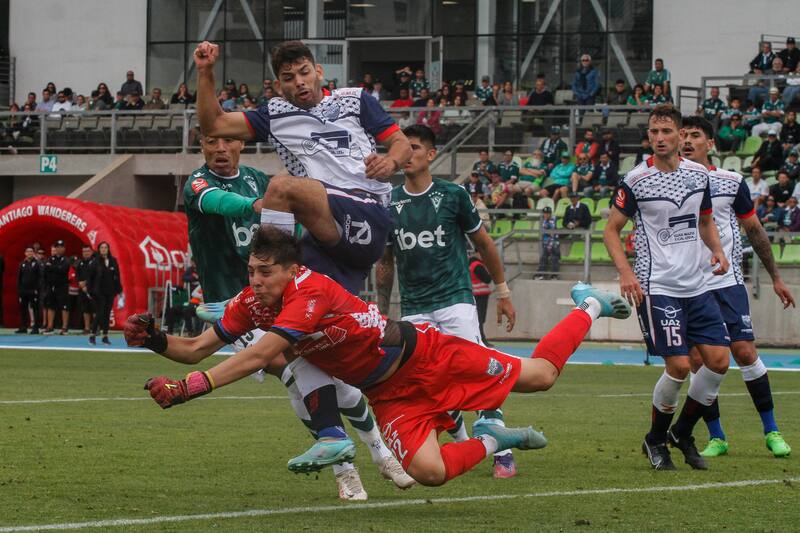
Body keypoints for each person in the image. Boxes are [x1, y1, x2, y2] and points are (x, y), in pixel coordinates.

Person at [129, 226, 631, 487]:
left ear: (289, 270)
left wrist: (188, 391)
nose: (254, 282)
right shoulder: (252, 301)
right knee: (424, 473)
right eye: (251, 271)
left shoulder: (310, 292)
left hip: (426, 356)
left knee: (541, 377)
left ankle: (589, 303)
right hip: (388, 393)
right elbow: (195, 348)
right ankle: (490, 438)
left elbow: (261, 355)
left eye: (264, 272)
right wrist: (154, 338)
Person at [192, 39, 413, 477]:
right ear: (279, 83)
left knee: (284, 187)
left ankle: (249, 296)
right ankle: (334, 437)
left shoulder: (355, 100)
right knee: (299, 338)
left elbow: (401, 142)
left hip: (363, 213)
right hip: (324, 235)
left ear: (319, 73)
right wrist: (205, 72)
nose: (299, 83)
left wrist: (391, 161)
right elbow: (213, 120)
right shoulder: (274, 113)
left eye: (305, 73)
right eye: (289, 77)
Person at [376, 124, 518, 478]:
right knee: (427, 380)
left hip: (455, 299)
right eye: (402, 148)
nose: (407, 154)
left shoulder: (453, 195)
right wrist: (380, 310)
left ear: (430, 154)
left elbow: (484, 245)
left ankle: (504, 447)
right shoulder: (388, 201)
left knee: (480, 372)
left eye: (414, 147)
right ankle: (462, 439)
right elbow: (385, 260)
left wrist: (503, 292)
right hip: (414, 307)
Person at [604, 104, 731, 471]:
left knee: (719, 362)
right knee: (679, 365)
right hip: (657, 285)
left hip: (697, 284)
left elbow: (705, 220)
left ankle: (683, 432)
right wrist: (626, 273)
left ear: (680, 135)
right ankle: (656, 439)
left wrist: (718, 250)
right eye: (653, 133)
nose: (659, 138)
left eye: (666, 132)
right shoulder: (636, 180)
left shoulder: (698, 175)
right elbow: (611, 230)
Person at [679, 115, 795, 459]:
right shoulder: (671, 183)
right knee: (699, 361)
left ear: (710, 143)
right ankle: (716, 436)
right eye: (683, 135)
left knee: (744, 352)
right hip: (688, 286)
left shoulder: (731, 181)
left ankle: (772, 431)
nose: (687, 141)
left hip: (726, 283)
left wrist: (774, 277)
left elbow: (755, 230)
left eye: (695, 136)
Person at [86, 242, 122, 345]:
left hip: (110, 291)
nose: (103, 249)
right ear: (99, 249)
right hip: (98, 292)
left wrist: (119, 290)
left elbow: (117, 276)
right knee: (100, 313)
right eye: (101, 247)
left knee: (107, 314)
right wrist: (89, 291)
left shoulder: (113, 261)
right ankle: (92, 335)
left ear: (108, 249)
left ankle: (105, 336)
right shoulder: (95, 262)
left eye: (105, 247)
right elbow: (90, 278)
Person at [42, 240, 70, 335]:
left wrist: (53, 268)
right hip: (51, 286)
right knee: (50, 306)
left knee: (64, 306)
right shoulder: (50, 259)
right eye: (57, 247)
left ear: (64, 248)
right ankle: (50, 326)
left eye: (61, 247)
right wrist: (55, 268)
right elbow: (46, 269)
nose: (59, 249)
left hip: (62, 286)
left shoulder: (66, 259)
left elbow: (63, 270)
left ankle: (64, 327)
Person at [468, 252, 492, 346]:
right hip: (480, 294)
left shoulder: (470, 264)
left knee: (478, 318)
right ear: (478, 253)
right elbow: (487, 279)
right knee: (480, 318)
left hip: (475, 293)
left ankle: (480, 338)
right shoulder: (477, 265)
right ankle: (482, 339)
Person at [16, 246, 42, 334]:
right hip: (23, 290)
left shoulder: (37, 263)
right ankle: (23, 326)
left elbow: (40, 277)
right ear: (25, 253)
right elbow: (19, 278)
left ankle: (36, 328)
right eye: (27, 251)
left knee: (35, 309)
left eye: (31, 251)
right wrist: (19, 289)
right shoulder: (22, 263)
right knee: (23, 308)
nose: (29, 253)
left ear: (33, 253)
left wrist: (37, 289)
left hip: (33, 290)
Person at [75, 245, 94, 334]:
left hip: (93, 289)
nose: (86, 253)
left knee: (95, 309)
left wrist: (86, 284)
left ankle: (95, 327)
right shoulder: (80, 263)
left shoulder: (95, 263)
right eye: (84, 251)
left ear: (91, 252)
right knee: (85, 309)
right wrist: (81, 285)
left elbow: (96, 275)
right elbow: (77, 276)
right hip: (82, 290)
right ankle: (87, 328)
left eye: (87, 251)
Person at [537, 206, 559, 280]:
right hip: (545, 242)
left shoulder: (553, 219)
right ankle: (541, 274)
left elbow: (551, 229)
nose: (546, 215)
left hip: (554, 242)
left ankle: (554, 275)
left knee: (554, 257)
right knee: (543, 257)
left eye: (548, 213)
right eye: (545, 213)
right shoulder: (542, 220)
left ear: (550, 213)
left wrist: (546, 223)